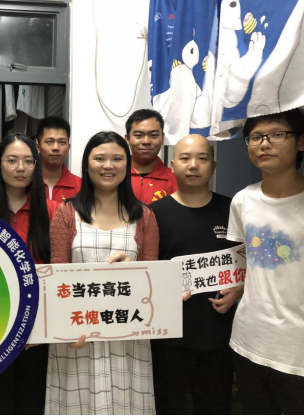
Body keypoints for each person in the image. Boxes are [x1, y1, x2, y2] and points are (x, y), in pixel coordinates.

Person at [47, 131, 159, 415]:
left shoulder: (145, 217)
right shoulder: (66, 213)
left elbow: (154, 283)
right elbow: (58, 278)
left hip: (128, 334)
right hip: (77, 334)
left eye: (117, 159)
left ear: (127, 165)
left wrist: (133, 271)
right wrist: (63, 329)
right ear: (86, 164)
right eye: (100, 158)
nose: (108, 165)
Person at [0, 133, 59, 415]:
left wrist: (42, 328)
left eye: (29, 161)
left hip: (38, 333)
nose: (20, 168)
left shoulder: (55, 212)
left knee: (31, 404)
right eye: (12, 160)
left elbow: (62, 272)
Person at [151, 135, 243, 415]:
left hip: (219, 336)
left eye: (202, 158)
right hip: (167, 339)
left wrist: (239, 289)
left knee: (215, 406)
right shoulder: (153, 214)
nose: (193, 165)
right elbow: (146, 272)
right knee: (167, 406)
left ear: (213, 166)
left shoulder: (232, 209)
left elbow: (249, 264)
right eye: (185, 158)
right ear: (172, 165)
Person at [227, 110, 304, 415]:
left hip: (296, 349)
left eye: (277, 135)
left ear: (300, 142)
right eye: (256, 137)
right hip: (249, 340)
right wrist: (237, 287)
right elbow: (245, 260)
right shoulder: (242, 200)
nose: (264, 144)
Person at [125, 109, 177, 204]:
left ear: (162, 138)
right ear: (127, 139)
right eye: (138, 135)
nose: (146, 141)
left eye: (153, 135)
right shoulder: (117, 176)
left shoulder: (175, 179)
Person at [35, 116, 82, 203]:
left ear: (68, 147)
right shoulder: (26, 183)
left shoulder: (81, 187)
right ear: (38, 147)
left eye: (62, 142)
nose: (56, 148)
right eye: (49, 142)